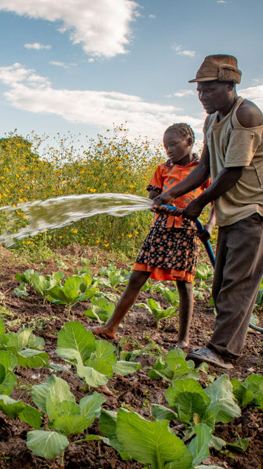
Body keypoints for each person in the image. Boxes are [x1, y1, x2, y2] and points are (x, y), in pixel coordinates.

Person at [153, 54, 263, 370]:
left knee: (237, 285)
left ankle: (223, 352)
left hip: (257, 210)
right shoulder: (212, 120)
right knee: (222, 284)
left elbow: (232, 172)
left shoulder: (246, 116)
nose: (202, 97)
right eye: (199, 90)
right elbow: (205, 168)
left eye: (209, 90)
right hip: (233, 211)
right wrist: (171, 193)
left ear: (230, 85)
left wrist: (198, 204)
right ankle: (225, 345)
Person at [91, 123, 214, 349]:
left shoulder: (202, 170)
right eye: (166, 146)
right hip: (160, 229)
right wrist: (156, 202)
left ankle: (183, 340)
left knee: (185, 285)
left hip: (187, 231)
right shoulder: (163, 169)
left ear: (189, 141)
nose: (169, 149)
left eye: (173, 144)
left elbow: (215, 201)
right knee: (137, 277)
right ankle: (111, 327)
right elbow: (153, 196)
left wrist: (210, 224)